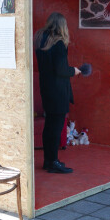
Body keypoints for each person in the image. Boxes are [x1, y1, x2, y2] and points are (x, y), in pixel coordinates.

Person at [34, 12, 81, 173]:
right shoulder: (59, 43)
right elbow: (61, 70)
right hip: (59, 91)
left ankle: (48, 161)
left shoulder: (41, 41)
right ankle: (53, 162)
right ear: (62, 26)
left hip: (46, 88)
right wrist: (74, 70)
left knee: (49, 127)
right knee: (56, 127)